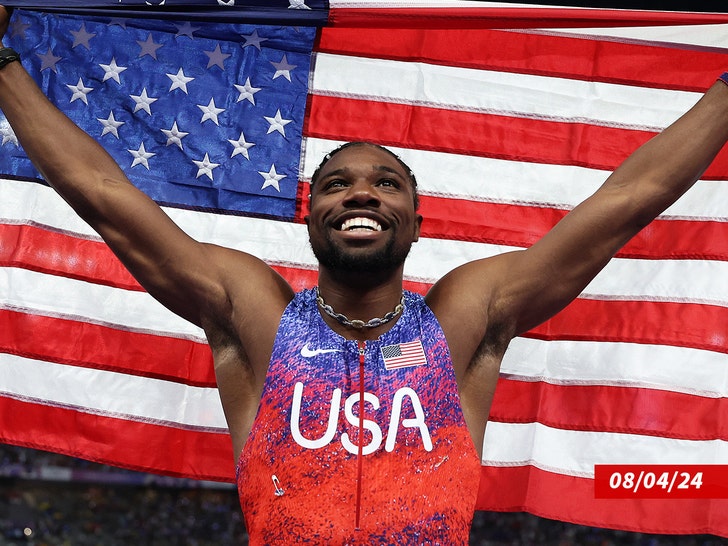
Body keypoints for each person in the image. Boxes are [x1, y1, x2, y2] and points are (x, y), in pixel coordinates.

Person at [1, 6, 728, 544]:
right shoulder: (255, 315)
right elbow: (106, 198)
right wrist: (3, 71)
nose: (360, 193)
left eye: (386, 184)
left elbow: (624, 205)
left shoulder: (463, 318)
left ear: (416, 222)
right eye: (336, 183)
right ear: (311, 215)